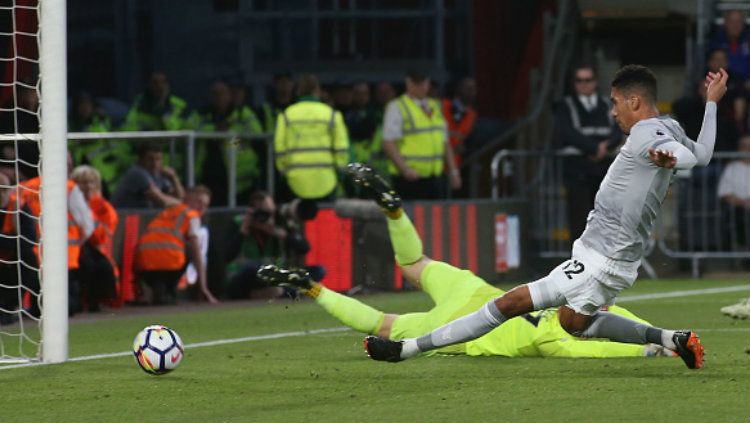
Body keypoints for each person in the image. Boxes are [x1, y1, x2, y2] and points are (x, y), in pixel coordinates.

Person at [363, 65, 729, 369]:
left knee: (508, 304)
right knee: (573, 324)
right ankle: (672, 339)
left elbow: (678, 157)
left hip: (602, 259)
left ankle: (407, 348)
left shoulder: (646, 134)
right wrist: (711, 104)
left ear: (634, 101)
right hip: (612, 256)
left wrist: (670, 158)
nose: (613, 112)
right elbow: (703, 155)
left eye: (616, 103)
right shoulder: (672, 126)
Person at [257, 165, 674, 359]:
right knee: (383, 325)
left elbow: (610, 312)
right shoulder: (555, 337)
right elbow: (593, 348)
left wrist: (653, 340)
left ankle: (395, 213)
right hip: (460, 328)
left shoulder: (565, 298)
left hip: (476, 292)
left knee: (415, 264)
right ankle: (312, 286)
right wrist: (650, 350)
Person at [555, 64, 622, 242]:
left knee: (606, 219)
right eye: (579, 80)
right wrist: (594, 148)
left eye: (588, 80)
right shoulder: (565, 105)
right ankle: (580, 263)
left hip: (603, 170)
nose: (584, 84)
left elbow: (618, 128)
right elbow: (567, 132)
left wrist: (605, 147)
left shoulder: (608, 104)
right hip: (577, 169)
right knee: (579, 219)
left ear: (595, 82)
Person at [134, 185, 219, 305]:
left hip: (143, 266)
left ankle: (160, 290)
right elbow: (197, 254)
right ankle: (167, 290)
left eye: (205, 205)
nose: (201, 208)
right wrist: (204, 287)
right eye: (199, 202)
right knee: (190, 250)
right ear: (187, 199)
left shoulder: (168, 211)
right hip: (167, 266)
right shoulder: (191, 216)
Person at [382, 71, 461, 200]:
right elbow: (388, 142)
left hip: (435, 176)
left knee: (435, 218)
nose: (420, 86)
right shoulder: (397, 107)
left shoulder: (434, 106)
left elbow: (444, 141)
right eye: (416, 82)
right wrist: (405, 169)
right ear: (408, 83)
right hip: (410, 178)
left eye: (423, 82)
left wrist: (453, 171)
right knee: (410, 218)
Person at [274, 74, 349, 202]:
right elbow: (341, 148)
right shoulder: (332, 114)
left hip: (296, 180)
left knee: (298, 219)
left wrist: (284, 171)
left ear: (298, 91)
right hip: (326, 179)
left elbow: (280, 148)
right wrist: (340, 172)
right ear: (317, 90)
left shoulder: (286, 115)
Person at [187, 80, 263, 205]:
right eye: (214, 94)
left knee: (233, 140)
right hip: (209, 171)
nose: (218, 97)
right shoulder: (202, 114)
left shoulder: (241, 113)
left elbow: (256, 131)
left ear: (229, 95)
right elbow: (189, 128)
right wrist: (214, 131)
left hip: (237, 163)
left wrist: (229, 131)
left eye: (222, 93)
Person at [70, 165, 119, 312]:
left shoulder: (104, 207)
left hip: (93, 246)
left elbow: (101, 238)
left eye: (92, 182)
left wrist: (89, 213)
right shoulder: (67, 204)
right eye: (83, 182)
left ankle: (95, 301)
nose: (88, 186)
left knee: (102, 266)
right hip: (72, 246)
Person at [68, 92, 133, 197]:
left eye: (87, 104)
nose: (85, 108)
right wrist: (79, 141)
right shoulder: (69, 126)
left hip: (108, 169)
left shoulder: (100, 121)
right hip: (83, 168)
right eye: (81, 105)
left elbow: (106, 135)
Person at [111, 143, 185, 209]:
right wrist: (183, 204)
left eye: (158, 159)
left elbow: (179, 197)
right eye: (150, 159)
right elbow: (163, 202)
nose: (154, 163)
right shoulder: (137, 173)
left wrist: (174, 178)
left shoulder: (159, 173)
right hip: (123, 218)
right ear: (140, 159)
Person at [121, 71, 189, 131]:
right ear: (149, 85)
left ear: (168, 85)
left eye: (162, 82)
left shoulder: (178, 104)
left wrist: (163, 107)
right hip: (145, 141)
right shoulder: (140, 101)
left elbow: (175, 129)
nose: (159, 86)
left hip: (169, 143)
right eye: (155, 83)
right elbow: (129, 127)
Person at [442, 77, 478, 168]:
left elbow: (465, 140)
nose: (471, 92)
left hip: (454, 166)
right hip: (437, 165)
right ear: (459, 89)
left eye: (474, 89)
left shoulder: (472, 115)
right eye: (468, 88)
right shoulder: (442, 106)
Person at [710, 10, 750, 85]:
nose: (735, 25)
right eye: (732, 21)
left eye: (739, 21)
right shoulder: (716, 42)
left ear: (744, 24)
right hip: (724, 84)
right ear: (725, 23)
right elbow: (712, 67)